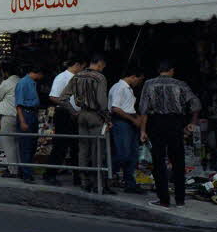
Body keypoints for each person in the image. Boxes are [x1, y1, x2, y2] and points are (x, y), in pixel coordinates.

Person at [139, 59, 201, 209]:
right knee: (178, 161)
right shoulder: (180, 84)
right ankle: (180, 199)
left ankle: (163, 200)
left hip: (157, 124)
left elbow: (144, 110)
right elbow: (196, 104)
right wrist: (192, 123)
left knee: (158, 162)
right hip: (176, 124)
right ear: (171, 70)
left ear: (158, 70)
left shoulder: (149, 84)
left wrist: (142, 130)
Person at [63, 53, 112, 194]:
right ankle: (97, 183)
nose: (103, 68)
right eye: (103, 66)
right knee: (97, 150)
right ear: (100, 64)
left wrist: (74, 112)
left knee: (83, 150)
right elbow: (102, 103)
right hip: (95, 116)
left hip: (82, 115)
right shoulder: (100, 78)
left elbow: (63, 98)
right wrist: (107, 119)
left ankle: (84, 181)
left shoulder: (77, 76)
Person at [45, 55, 83, 185]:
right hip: (64, 114)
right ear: (77, 65)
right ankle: (50, 174)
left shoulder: (77, 78)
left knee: (76, 147)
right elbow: (54, 96)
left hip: (75, 114)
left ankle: (77, 176)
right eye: (82, 66)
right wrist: (70, 108)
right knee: (61, 145)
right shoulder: (62, 77)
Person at [109, 66, 145, 194]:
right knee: (123, 154)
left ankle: (130, 183)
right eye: (139, 79)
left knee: (132, 155)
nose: (139, 82)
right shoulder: (121, 87)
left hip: (129, 122)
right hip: (122, 122)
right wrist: (133, 119)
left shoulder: (127, 89)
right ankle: (105, 176)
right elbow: (115, 108)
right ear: (133, 76)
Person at [0, 61, 21, 178]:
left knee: (8, 144)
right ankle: (19, 167)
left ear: (5, 72)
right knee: (17, 144)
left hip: (8, 116)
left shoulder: (7, 82)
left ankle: (13, 170)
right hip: (19, 116)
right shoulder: (20, 80)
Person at [14, 67, 45, 182]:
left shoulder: (32, 83)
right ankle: (26, 174)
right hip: (26, 114)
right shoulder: (23, 83)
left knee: (32, 145)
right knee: (26, 145)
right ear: (37, 72)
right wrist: (22, 121)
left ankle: (25, 171)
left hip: (32, 113)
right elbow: (19, 104)